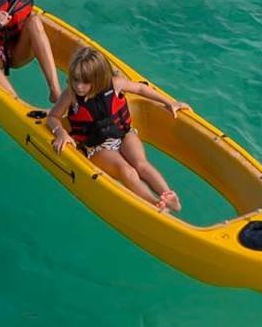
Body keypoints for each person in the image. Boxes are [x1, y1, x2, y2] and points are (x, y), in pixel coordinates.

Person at [49, 47, 182, 213]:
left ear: (98, 79)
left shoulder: (115, 83)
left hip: (123, 134)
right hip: (98, 147)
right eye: (75, 80)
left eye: (85, 82)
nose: (79, 86)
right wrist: (60, 133)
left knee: (141, 164)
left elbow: (140, 89)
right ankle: (155, 204)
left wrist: (170, 102)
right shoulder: (71, 95)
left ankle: (169, 197)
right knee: (127, 170)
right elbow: (53, 116)